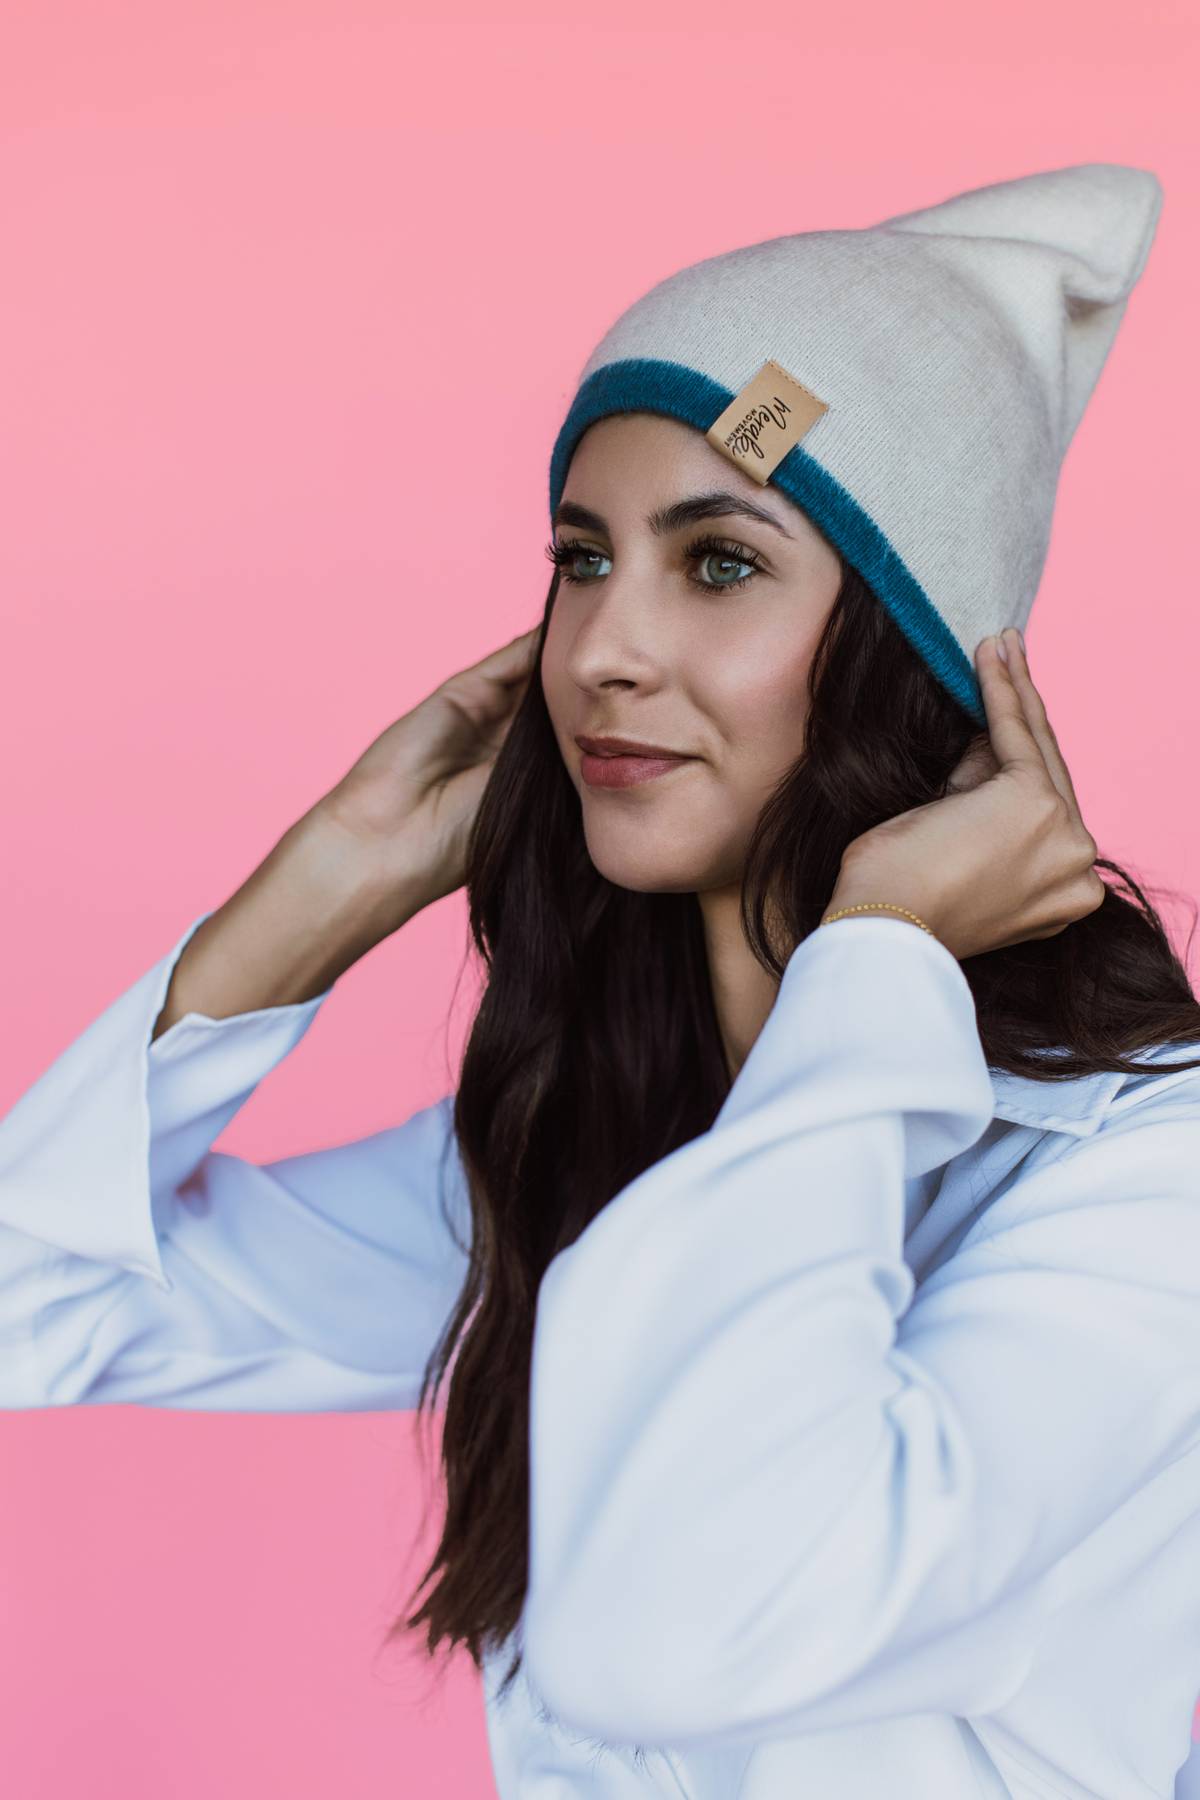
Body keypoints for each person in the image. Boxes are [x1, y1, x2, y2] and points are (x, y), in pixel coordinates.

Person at [4, 161, 1200, 1799]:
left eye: (718, 564)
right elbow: (33, 1306)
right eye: (580, 557)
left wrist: (877, 961)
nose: (601, 654)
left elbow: (690, 1630)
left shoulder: (1145, 1181)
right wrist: (325, 886)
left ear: (918, 651)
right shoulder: (586, 1134)